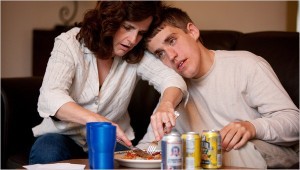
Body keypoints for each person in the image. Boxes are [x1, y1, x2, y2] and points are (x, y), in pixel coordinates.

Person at [138, 6, 299, 168]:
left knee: (231, 151)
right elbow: (148, 147)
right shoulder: (173, 90)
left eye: (172, 40)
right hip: (210, 159)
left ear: (192, 31)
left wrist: (252, 127)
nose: (171, 56)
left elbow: (295, 123)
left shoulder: (246, 65)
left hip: (265, 150)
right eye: (160, 54)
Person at [29, 2, 188, 164]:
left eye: (141, 33)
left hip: (112, 142)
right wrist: (98, 120)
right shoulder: (70, 43)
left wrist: (166, 104)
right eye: (127, 27)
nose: (133, 40)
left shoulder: (135, 53)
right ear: (109, 20)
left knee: (130, 163)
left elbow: (173, 79)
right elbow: (50, 96)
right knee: (47, 151)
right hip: (61, 137)